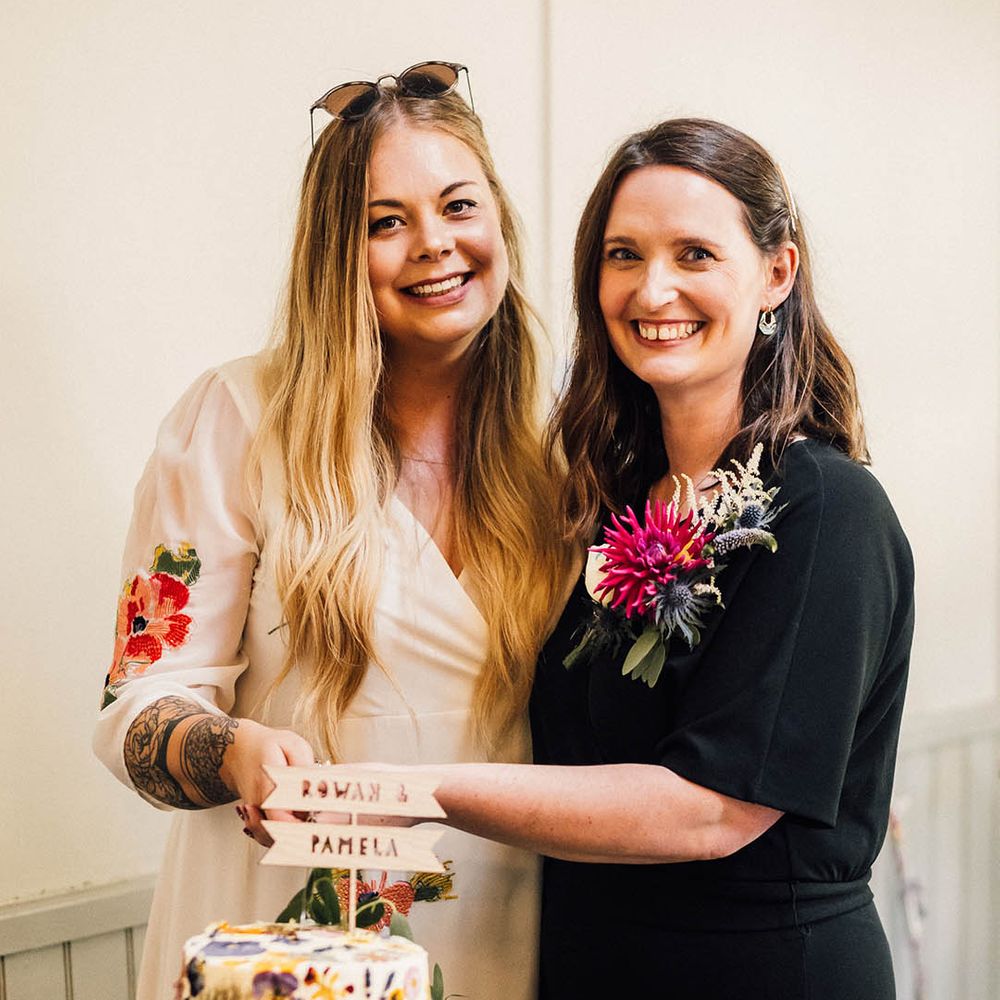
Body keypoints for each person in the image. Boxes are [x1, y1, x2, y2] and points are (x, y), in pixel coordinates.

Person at [401, 119, 914, 998]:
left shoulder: (826, 506)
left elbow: (710, 810)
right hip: (589, 961)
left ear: (776, 273)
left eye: (695, 255)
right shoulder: (607, 500)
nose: (653, 289)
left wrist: (405, 792)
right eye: (624, 255)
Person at [93, 62, 569, 1000]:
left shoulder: (560, 444)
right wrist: (229, 750)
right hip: (285, 949)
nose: (434, 244)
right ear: (335, 255)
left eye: (458, 206)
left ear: (499, 223)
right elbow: (137, 707)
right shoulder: (237, 421)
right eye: (385, 222)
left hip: (504, 929)